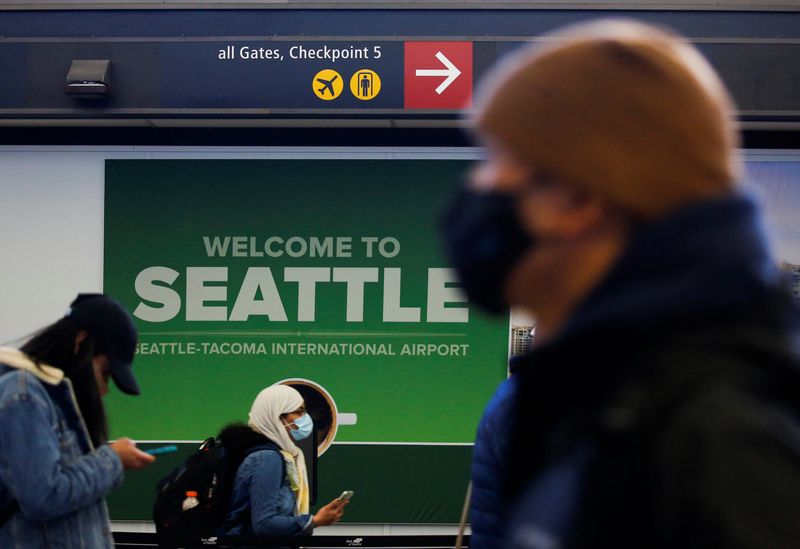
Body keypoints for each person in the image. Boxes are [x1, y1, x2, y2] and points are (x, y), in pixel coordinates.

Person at [442, 19, 800, 549]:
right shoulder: (598, 403)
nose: (478, 190)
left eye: (500, 164)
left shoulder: (718, 440)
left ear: (580, 199)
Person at [0, 293, 155, 548]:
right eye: (105, 373)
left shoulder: (48, 398)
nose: (104, 390)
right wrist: (112, 459)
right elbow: (44, 496)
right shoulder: (24, 396)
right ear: (80, 342)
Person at [222, 384, 347, 537]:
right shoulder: (266, 458)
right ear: (277, 416)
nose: (306, 419)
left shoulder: (260, 453)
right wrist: (315, 521)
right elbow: (264, 524)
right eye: (299, 412)